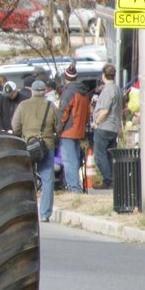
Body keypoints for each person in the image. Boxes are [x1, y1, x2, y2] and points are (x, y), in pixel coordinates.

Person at [13, 80, 59, 222]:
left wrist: (24, 134)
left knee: (26, 179)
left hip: (28, 146)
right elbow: (59, 127)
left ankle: (26, 210)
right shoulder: (51, 106)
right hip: (47, 146)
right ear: (45, 91)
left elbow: (15, 126)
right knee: (47, 179)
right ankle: (45, 214)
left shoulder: (22, 105)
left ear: (32, 91)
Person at [57, 62, 90, 193]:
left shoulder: (68, 92)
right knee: (75, 159)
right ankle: (75, 186)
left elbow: (63, 112)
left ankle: (74, 189)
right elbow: (88, 113)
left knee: (69, 160)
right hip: (79, 130)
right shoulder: (84, 92)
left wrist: (58, 128)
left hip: (68, 131)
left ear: (66, 78)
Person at [91, 63, 122, 189]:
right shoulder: (117, 88)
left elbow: (105, 110)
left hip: (104, 126)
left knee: (99, 155)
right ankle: (111, 179)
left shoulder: (108, 90)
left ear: (103, 75)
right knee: (109, 155)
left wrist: (96, 122)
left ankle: (109, 179)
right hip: (114, 126)